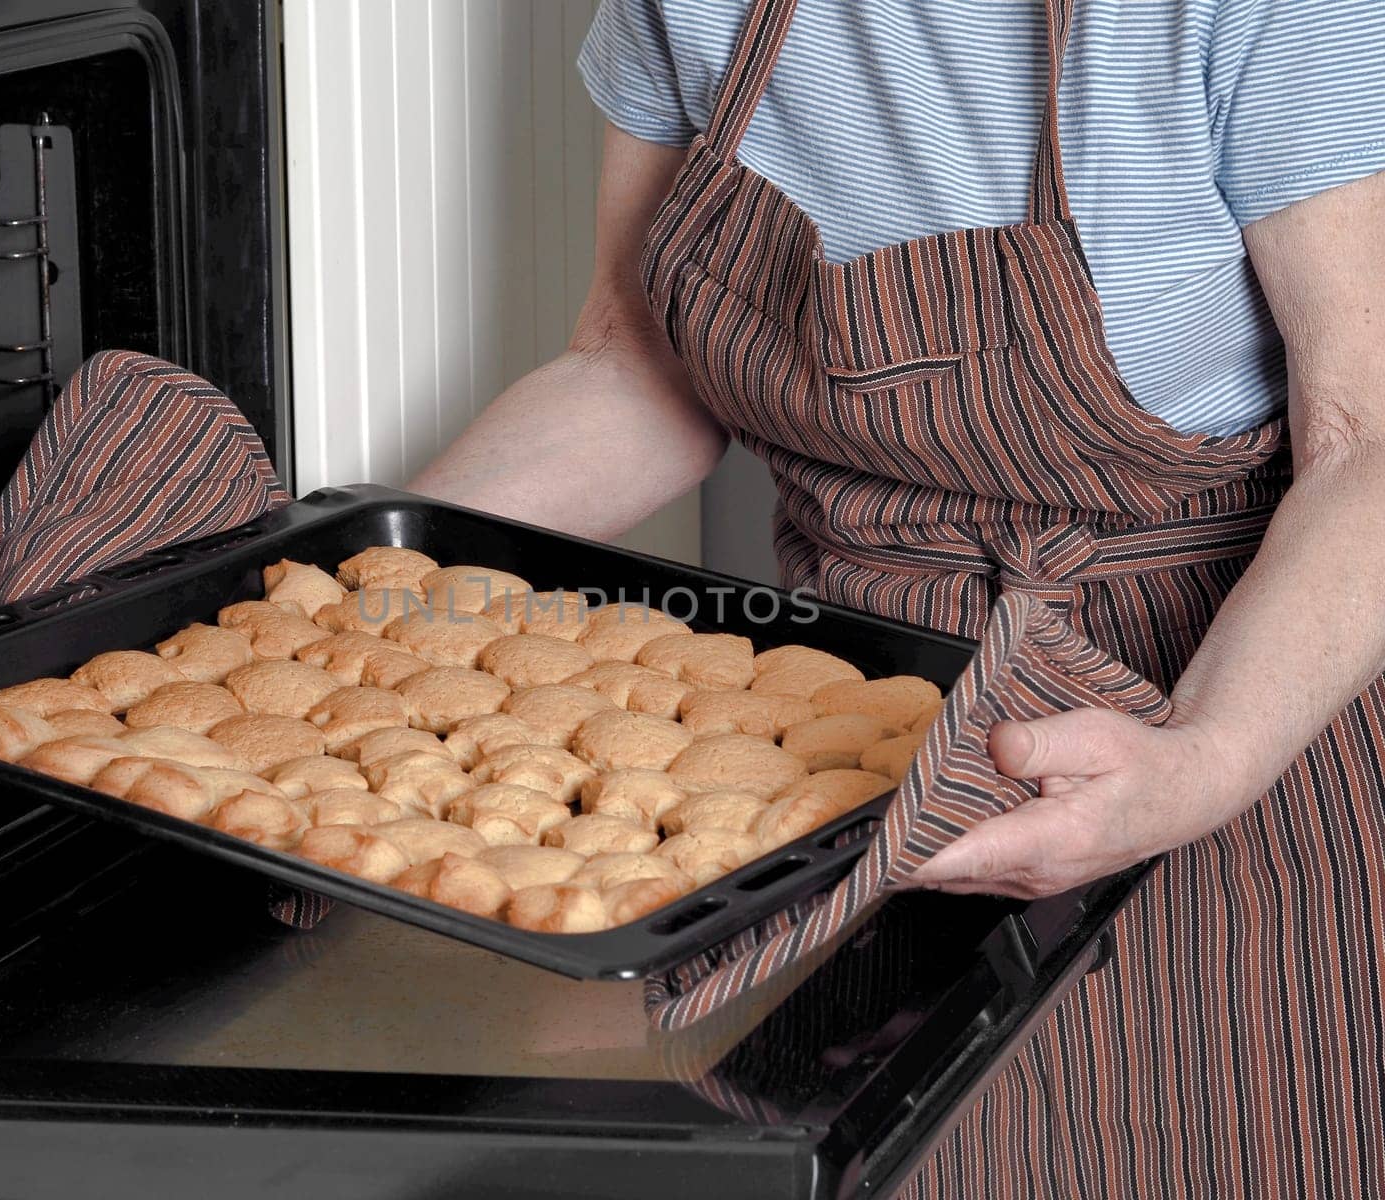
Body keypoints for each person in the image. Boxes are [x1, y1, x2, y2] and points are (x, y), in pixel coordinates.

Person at [409, 0, 1385, 1194]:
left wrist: (1210, 758)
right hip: (841, 755)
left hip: (1218, 718)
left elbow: (1367, 443)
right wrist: (369, 588)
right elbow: (632, 368)